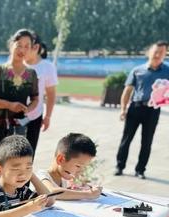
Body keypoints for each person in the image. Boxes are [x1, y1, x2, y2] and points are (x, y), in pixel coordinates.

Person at [0, 29, 39, 178]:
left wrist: (27, 109)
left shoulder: (31, 74)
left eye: (27, 46)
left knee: (11, 173)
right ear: (11, 45)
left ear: (31, 49)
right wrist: (9, 105)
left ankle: (5, 201)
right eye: (19, 45)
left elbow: (36, 99)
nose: (22, 50)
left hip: (17, 130)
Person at [115, 40, 169, 179]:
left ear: (165, 54)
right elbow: (127, 91)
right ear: (149, 52)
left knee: (147, 141)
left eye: (161, 52)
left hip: (153, 110)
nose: (158, 55)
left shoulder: (167, 71)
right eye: (156, 51)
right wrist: (123, 109)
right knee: (126, 139)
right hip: (135, 108)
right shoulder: (137, 70)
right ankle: (119, 166)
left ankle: (140, 170)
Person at [0, 135, 54, 217]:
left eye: (28, 167)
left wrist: (31, 175)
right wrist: (28, 208)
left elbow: (49, 201)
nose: (23, 175)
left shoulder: (21, 191)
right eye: (16, 169)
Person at [38, 133, 102, 200]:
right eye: (78, 166)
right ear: (60, 159)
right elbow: (51, 192)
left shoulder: (64, 179)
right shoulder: (41, 176)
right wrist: (89, 194)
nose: (81, 171)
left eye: (84, 167)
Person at [25, 31, 58, 155]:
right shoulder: (18, 64)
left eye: (26, 46)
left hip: (34, 116)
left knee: (28, 153)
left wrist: (48, 116)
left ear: (36, 47)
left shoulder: (47, 67)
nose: (22, 50)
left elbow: (51, 94)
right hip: (12, 116)